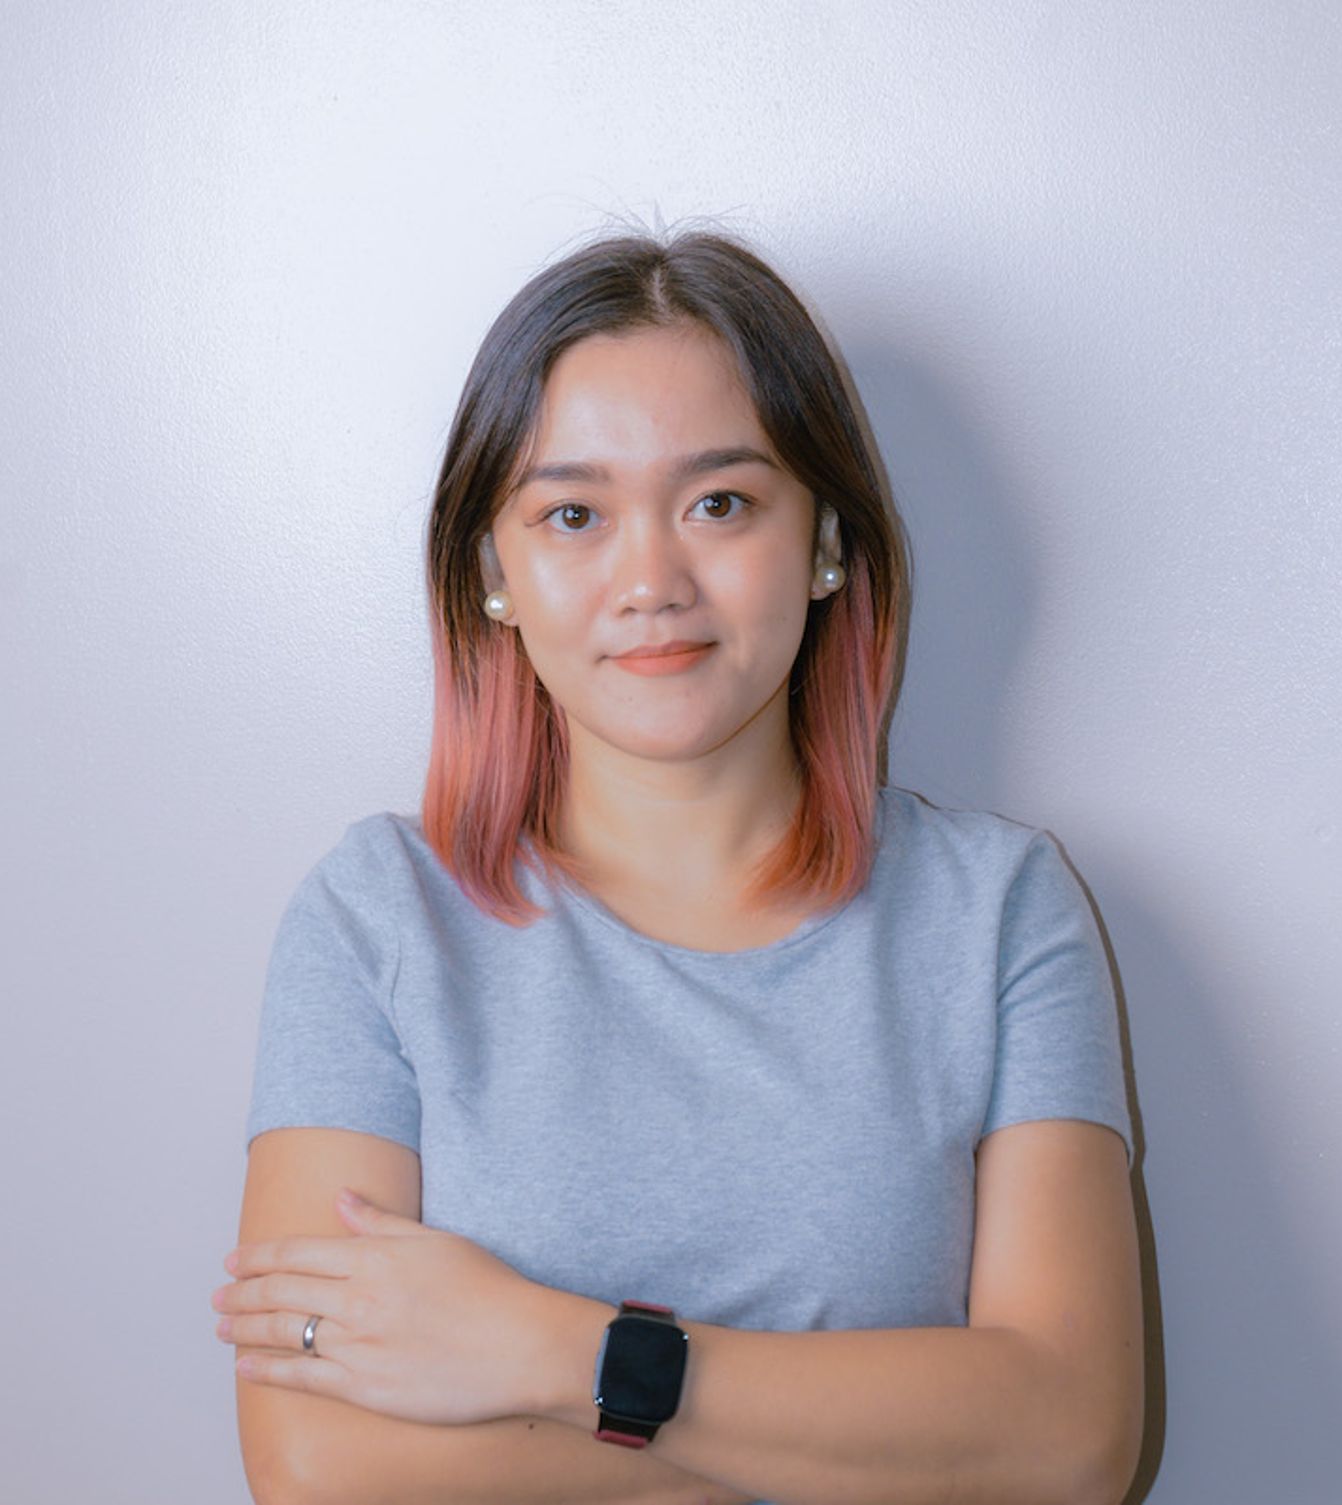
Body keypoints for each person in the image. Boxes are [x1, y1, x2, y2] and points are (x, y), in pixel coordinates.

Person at [211, 227, 1144, 1505]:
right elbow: (317, 1463)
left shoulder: (1001, 911)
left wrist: (558, 1350)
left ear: (826, 541)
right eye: (574, 514)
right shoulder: (377, 918)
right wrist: (800, 1454)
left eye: (720, 503)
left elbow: (1067, 1439)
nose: (651, 580)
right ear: (493, 572)